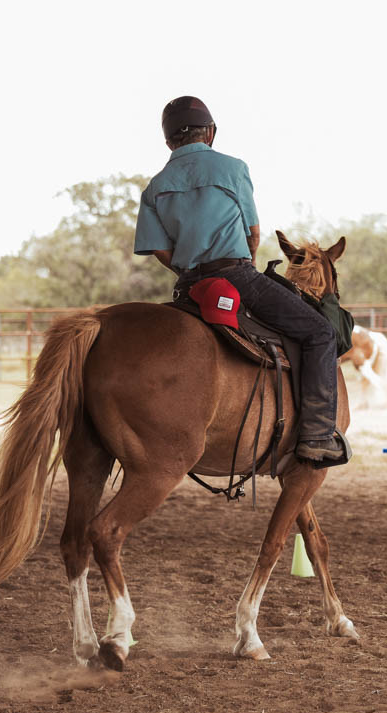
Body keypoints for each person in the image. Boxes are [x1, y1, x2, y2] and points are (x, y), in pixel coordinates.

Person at [134, 95, 346, 466]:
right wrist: (243, 261)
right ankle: (316, 435)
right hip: (235, 274)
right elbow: (253, 230)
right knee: (320, 333)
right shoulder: (233, 168)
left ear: (169, 142)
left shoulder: (154, 187)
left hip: (188, 287)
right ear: (211, 133)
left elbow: (159, 250)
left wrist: (187, 271)